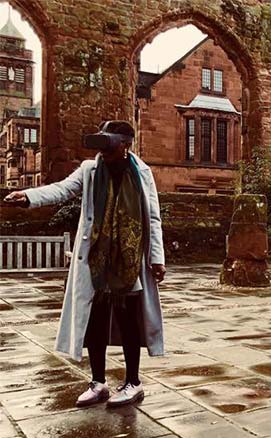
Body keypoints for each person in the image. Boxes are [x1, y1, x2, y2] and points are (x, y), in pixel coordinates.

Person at [3, 120, 166, 407]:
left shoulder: (142, 174)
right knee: (96, 321)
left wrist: (157, 258)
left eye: (109, 145)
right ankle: (98, 382)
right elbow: (62, 189)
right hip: (97, 258)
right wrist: (28, 196)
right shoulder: (91, 170)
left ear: (125, 146)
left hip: (128, 259)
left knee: (130, 321)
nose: (103, 152)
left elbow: (152, 216)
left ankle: (133, 382)